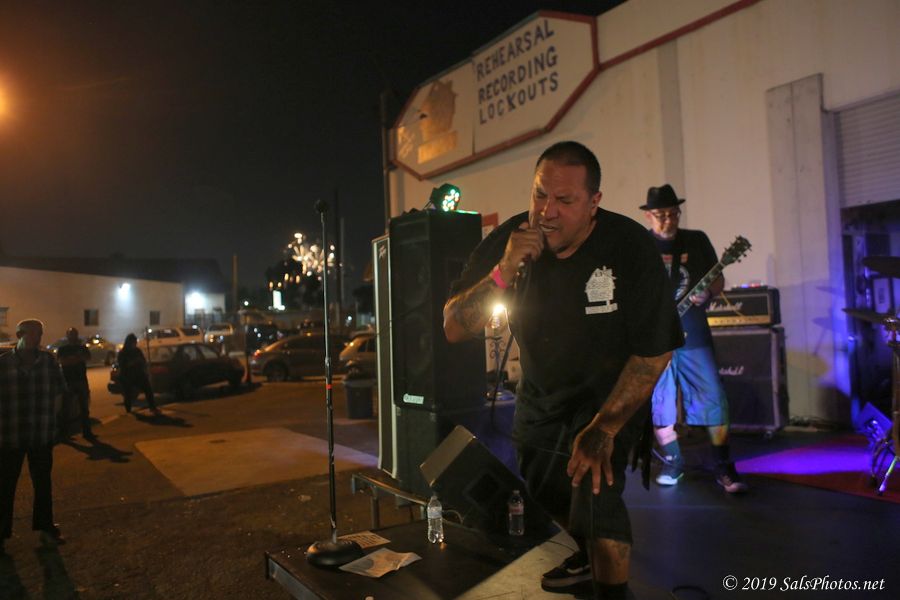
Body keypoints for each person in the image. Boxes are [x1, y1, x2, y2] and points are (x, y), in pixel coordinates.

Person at [444, 141, 683, 599]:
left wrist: (604, 428)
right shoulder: (512, 239)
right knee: (545, 487)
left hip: (609, 394)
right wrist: (503, 269)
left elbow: (655, 353)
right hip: (542, 394)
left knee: (595, 491)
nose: (546, 212)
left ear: (594, 203)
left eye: (564, 200)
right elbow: (454, 327)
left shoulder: (629, 245)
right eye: (539, 195)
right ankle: (584, 554)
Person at [641, 184, 748, 493]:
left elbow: (718, 280)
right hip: (656, 339)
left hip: (694, 336)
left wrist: (708, 293)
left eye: (673, 213)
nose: (668, 220)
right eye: (660, 215)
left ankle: (724, 466)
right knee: (660, 403)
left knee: (713, 398)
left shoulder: (696, 240)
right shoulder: (640, 246)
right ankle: (673, 462)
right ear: (649, 216)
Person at [0, 319, 68, 552]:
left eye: (40, 333)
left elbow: (59, 392)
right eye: (33, 333)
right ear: (20, 335)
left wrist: (54, 421)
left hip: (41, 434)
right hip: (10, 435)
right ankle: (1, 533)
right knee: (5, 486)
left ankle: (46, 527)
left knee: (43, 484)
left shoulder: (48, 362)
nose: (37, 338)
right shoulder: (3, 364)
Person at [56, 327, 94, 438]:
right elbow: (62, 361)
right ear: (67, 336)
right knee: (66, 409)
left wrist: (73, 359)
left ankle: (87, 432)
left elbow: (87, 357)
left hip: (81, 380)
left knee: (84, 408)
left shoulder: (82, 347)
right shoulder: (63, 349)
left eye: (74, 334)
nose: (73, 336)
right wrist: (77, 359)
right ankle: (64, 434)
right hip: (68, 381)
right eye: (71, 334)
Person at [117, 333, 158, 414]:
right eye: (133, 343)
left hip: (139, 374)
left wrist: (145, 369)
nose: (134, 344)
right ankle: (128, 411)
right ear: (129, 342)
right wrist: (133, 362)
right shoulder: (123, 353)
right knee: (128, 394)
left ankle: (152, 407)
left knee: (148, 389)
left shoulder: (137, 351)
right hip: (127, 376)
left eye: (135, 343)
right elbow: (123, 365)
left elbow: (143, 360)